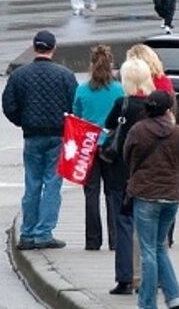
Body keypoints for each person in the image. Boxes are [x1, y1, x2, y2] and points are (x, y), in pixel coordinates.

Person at [2, 30, 78, 250]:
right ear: (53, 48)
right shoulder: (65, 75)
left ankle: (27, 233)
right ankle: (44, 233)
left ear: (34, 47)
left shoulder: (19, 75)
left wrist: (23, 121)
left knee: (32, 183)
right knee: (52, 184)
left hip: (32, 134)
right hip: (58, 134)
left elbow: (9, 106)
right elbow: (74, 106)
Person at [124, 89, 179, 309]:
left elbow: (127, 155)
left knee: (148, 249)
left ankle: (148, 303)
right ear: (168, 110)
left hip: (146, 193)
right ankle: (174, 296)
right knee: (159, 246)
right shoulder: (178, 132)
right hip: (171, 195)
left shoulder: (138, 130)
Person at [103, 58, 154, 295]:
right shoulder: (154, 106)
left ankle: (125, 278)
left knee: (123, 224)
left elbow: (108, 125)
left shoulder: (122, 104)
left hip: (120, 172)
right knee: (149, 227)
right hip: (146, 172)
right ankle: (151, 277)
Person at [73, 45, 125, 252]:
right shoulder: (118, 89)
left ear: (91, 65)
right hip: (112, 147)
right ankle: (115, 240)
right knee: (113, 194)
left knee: (91, 194)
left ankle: (92, 240)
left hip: (88, 146)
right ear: (111, 65)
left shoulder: (82, 89)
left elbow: (76, 115)